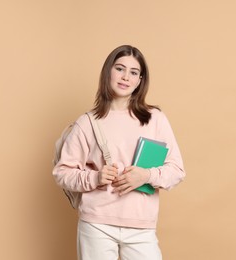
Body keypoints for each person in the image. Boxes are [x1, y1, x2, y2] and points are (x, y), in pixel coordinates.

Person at [53, 45, 186, 260]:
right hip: (96, 224)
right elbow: (62, 172)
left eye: (133, 72)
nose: (125, 77)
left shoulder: (155, 119)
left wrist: (146, 175)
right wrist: (94, 177)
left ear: (140, 80)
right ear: (108, 72)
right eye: (120, 69)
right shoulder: (87, 123)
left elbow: (177, 170)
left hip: (141, 226)